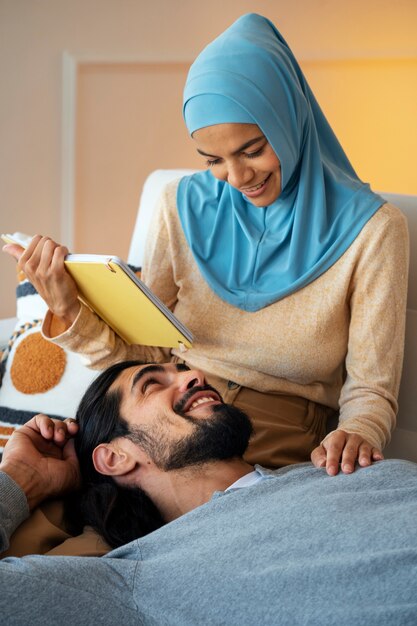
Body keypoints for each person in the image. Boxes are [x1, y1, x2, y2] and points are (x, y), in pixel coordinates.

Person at [2, 13, 409, 475]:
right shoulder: (179, 204)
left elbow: (371, 389)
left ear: (290, 120)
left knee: (160, 535)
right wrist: (71, 310)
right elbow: (147, 355)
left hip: (276, 431)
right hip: (165, 414)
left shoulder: (374, 229)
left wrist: (358, 433)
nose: (237, 178)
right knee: (42, 503)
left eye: (253, 149)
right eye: (213, 159)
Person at [0, 359, 417, 626]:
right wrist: (20, 478)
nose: (194, 376)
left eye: (181, 368)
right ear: (116, 458)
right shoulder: (130, 583)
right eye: (151, 384)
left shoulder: (340, 463)